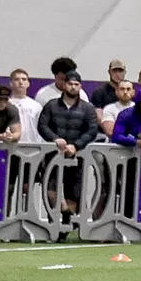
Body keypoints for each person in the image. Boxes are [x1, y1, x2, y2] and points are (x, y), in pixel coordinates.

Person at [38, 72, 100, 214]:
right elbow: (42, 126)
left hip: (77, 156)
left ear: (80, 87)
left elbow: (92, 130)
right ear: (64, 85)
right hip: (53, 154)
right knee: (50, 191)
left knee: (73, 194)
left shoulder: (88, 108)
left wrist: (76, 146)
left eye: (76, 84)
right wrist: (55, 139)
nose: (73, 87)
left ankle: (66, 224)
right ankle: (57, 218)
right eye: (70, 84)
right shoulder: (51, 105)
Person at [8, 68, 43, 143]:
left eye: (24, 79)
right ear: (11, 83)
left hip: (33, 144)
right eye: (16, 79)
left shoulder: (36, 105)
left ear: (28, 83)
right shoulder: (6, 104)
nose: (21, 82)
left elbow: (41, 127)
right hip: (11, 145)